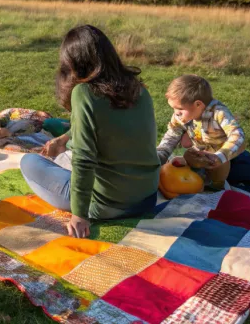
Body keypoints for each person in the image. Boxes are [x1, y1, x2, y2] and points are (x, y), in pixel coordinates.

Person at [20, 25, 160, 239]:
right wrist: (65, 139)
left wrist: (79, 214)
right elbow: (113, 130)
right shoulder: (139, 88)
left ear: (73, 62)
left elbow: (84, 159)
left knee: (29, 162)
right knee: (66, 158)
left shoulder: (84, 92)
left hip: (109, 205)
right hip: (148, 197)